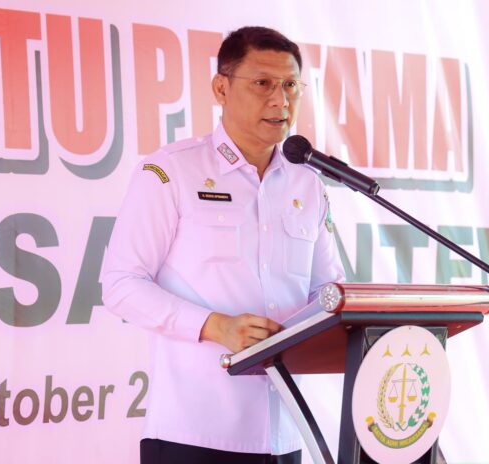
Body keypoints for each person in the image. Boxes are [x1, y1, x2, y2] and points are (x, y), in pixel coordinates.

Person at [102, 26, 344, 464]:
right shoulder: (172, 171)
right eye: (263, 83)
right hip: (192, 432)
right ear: (221, 88)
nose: (280, 100)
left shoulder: (308, 183)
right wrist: (215, 326)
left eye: (291, 85)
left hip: (286, 432)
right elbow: (120, 284)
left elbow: (328, 292)